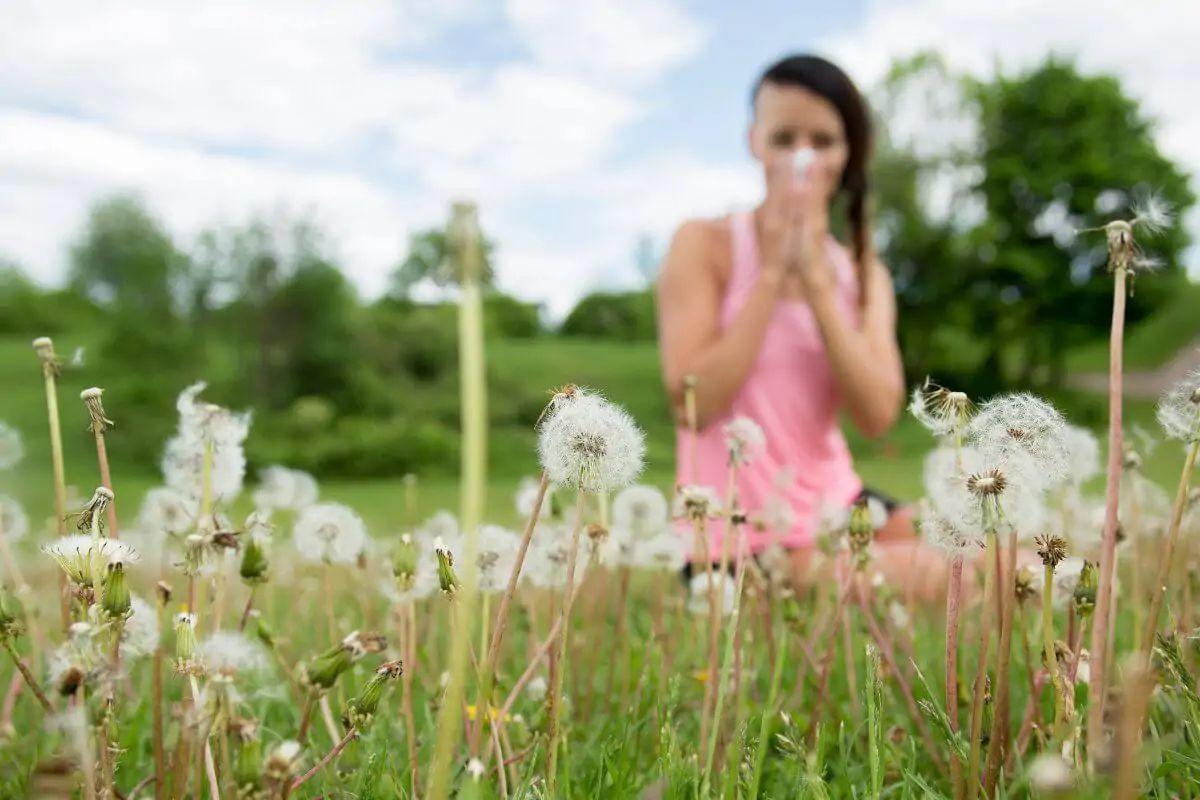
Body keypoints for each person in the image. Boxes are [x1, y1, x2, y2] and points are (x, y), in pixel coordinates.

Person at [656, 53, 945, 597]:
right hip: (740, 538)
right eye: (784, 140)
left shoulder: (864, 274)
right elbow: (691, 401)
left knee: (999, 554)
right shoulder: (704, 244)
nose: (802, 159)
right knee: (952, 581)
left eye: (822, 141)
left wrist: (817, 285)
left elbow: (878, 413)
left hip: (840, 506)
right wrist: (770, 276)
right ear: (753, 143)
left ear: (847, 153)